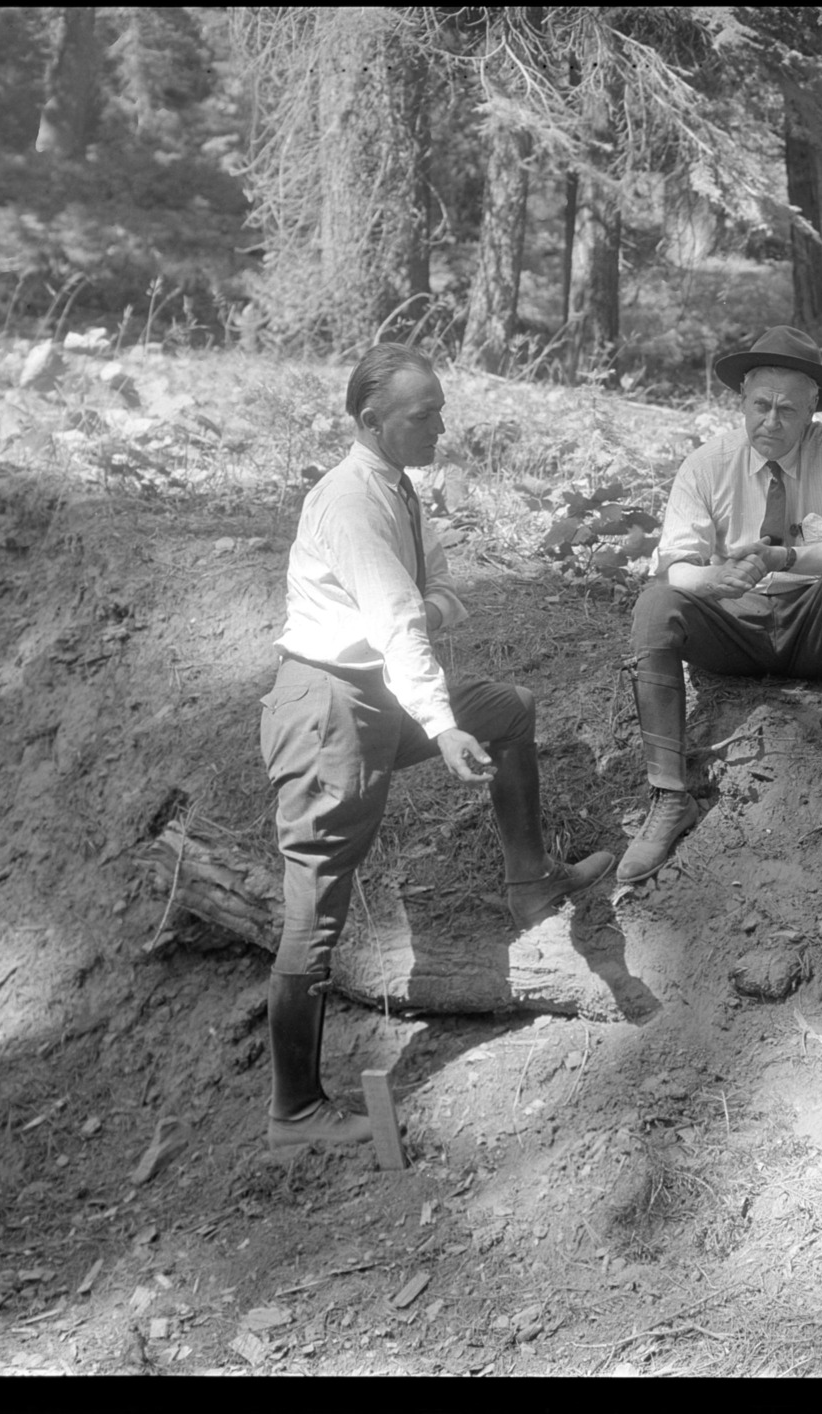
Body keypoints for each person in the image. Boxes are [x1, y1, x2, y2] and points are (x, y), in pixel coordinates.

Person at [259, 343, 613, 1148]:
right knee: (316, 912)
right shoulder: (350, 502)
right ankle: (296, 1111)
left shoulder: (399, 489)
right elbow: (396, 619)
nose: (441, 429)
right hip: (329, 709)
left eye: (442, 411)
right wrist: (441, 723)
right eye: (425, 417)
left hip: (376, 688)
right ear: (370, 422)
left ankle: (530, 884)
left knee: (510, 709)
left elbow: (435, 594)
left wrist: (434, 623)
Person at [619, 325, 822, 885]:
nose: (771, 421)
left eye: (788, 409)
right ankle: (669, 795)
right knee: (655, 602)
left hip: (814, 628)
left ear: (813, 408)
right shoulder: (707, 463)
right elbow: (675, 564)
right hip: (734, 626)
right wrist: (715, 578)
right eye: (760, 405)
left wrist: (784, 558)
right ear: (740, 401)